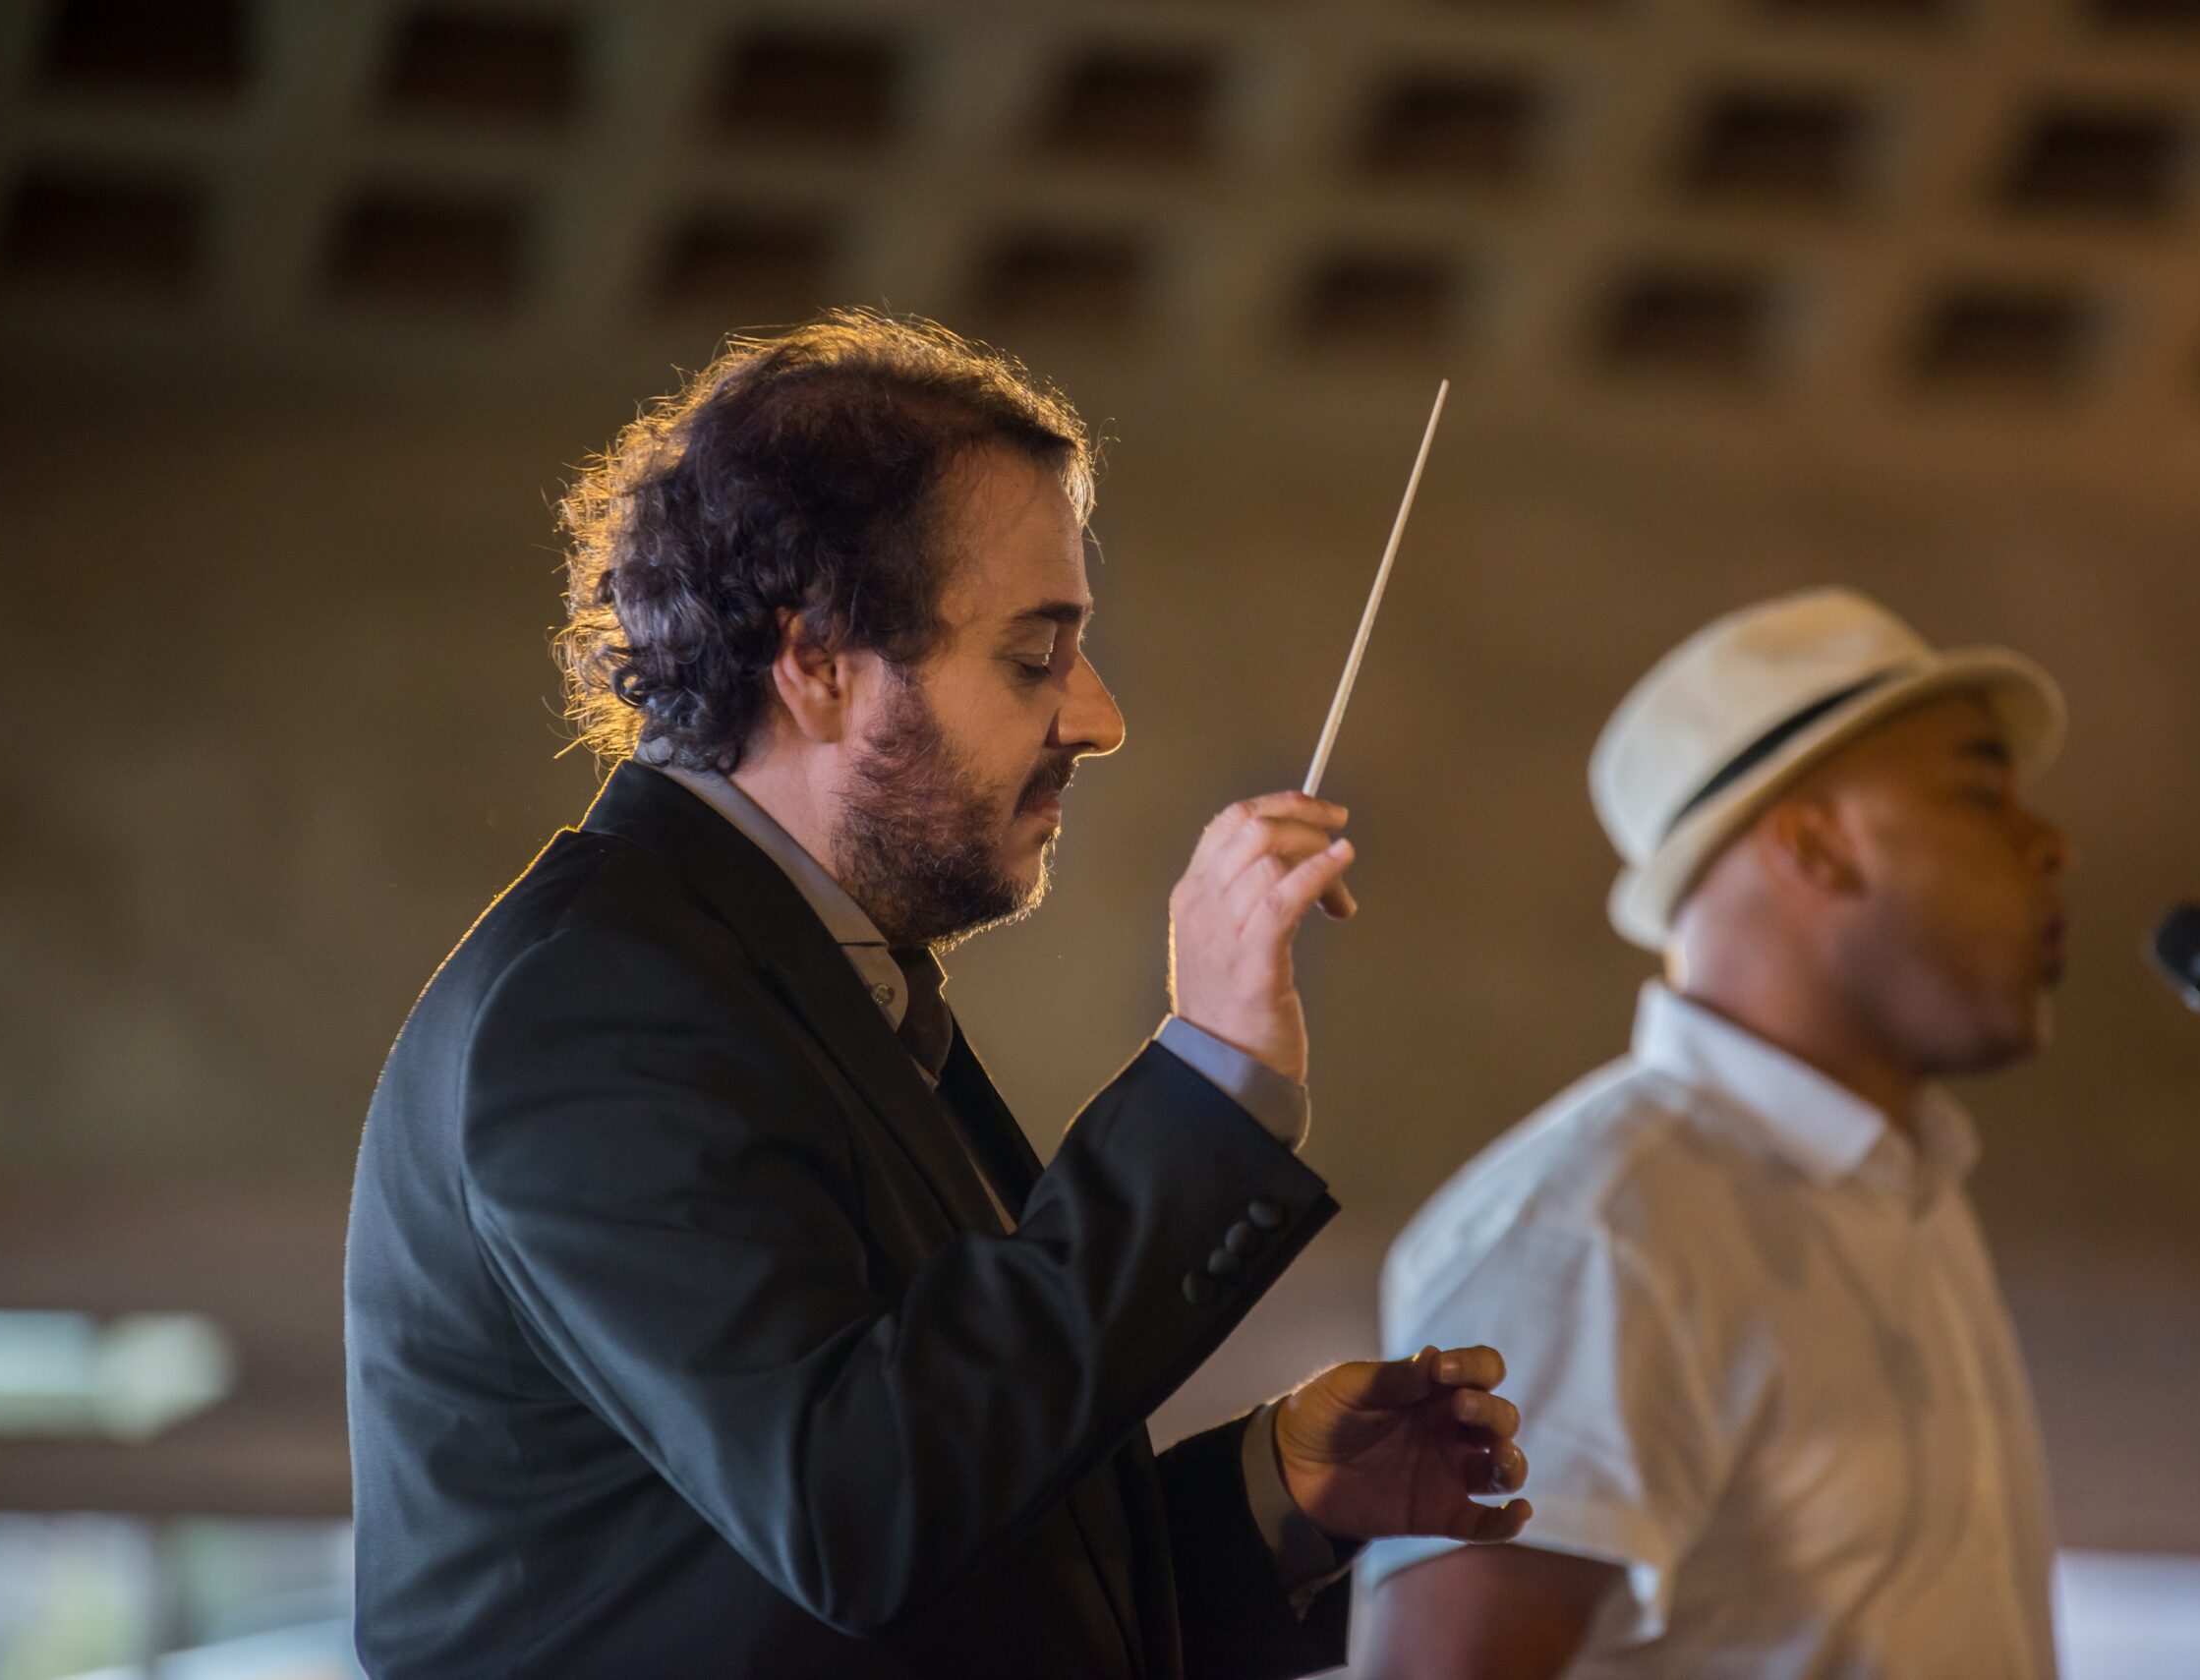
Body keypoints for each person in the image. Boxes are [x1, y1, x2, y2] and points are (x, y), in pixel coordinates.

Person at [342, 310, 1530, 1680]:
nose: (1098, 717)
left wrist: (1279, 1494)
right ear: (818, 665)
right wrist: (1205, 1073)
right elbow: (853, 1516)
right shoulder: (598, 1006)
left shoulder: (811, 984)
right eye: (1034, 655)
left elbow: (939, 1588)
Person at [1358, 587, 2070, 1679]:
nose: (2047, 843)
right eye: (1981, 792)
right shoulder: (1591, 1236)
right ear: (1816, 844)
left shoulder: (1902, 1184)